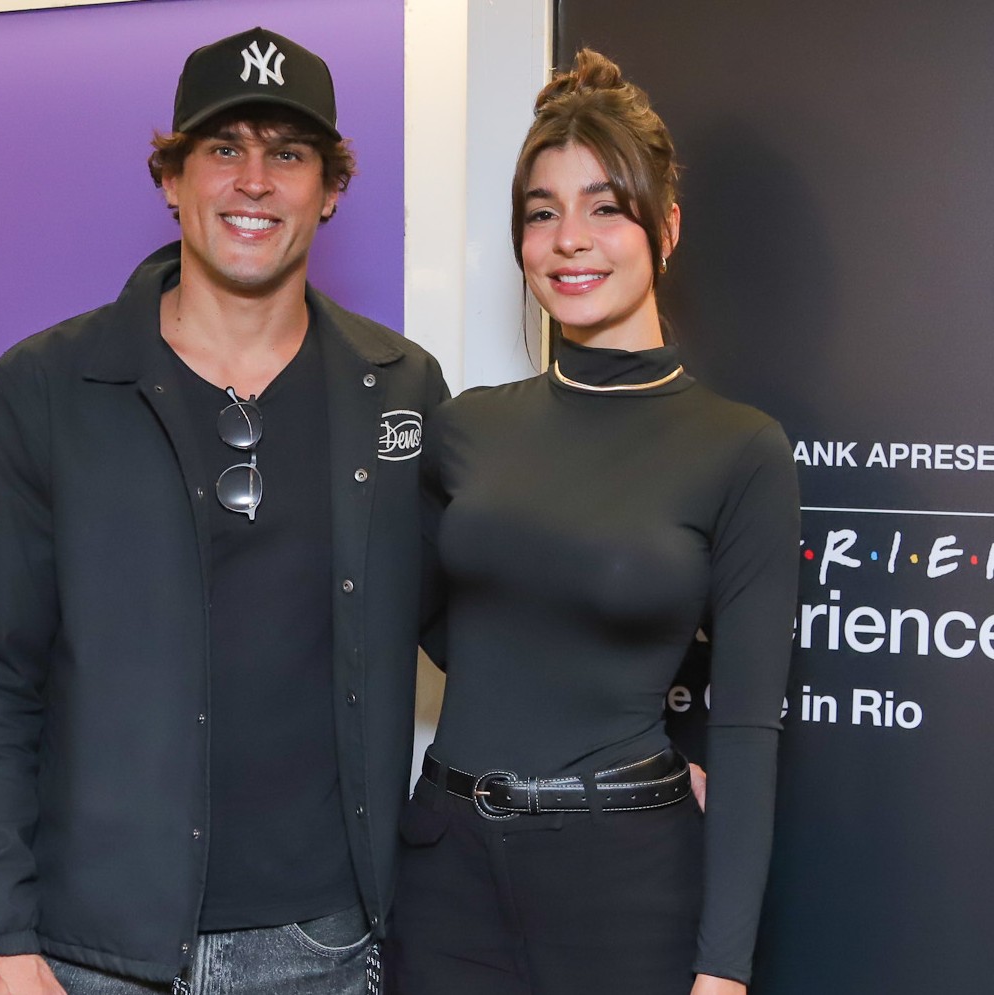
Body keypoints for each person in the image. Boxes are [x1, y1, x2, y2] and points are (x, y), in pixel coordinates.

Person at [0, 27, 446, 995]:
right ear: (171, 178)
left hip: (324, 945)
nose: (253, 181)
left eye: (287, 154)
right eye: (222, 148)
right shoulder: (45, 388)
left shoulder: (400, 386)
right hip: (93, 953)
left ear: (330, 188)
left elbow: (489, 617)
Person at [390, 49, 799, 995]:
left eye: (604, 207)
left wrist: (724, 969)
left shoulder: (738, 448)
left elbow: (745, 729)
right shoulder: (466, 426)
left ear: (667, 227)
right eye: (541, 213)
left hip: (627, 885)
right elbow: (427, 613)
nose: (569, 239)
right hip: (446, 874)